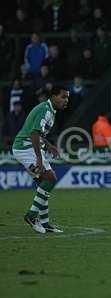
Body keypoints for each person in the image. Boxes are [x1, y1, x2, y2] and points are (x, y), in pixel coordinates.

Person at [12, 86, 69, 234]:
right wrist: (38, 157)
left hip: (26, 148)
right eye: (63, 97)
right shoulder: (46, 110)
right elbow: (34, 133)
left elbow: (38, 132)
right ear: (54, 96)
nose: (66, 100)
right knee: (50, 178)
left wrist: (49, 145)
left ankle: (45, 223)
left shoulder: (49, 109)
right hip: (25, 149)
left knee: (42, 184)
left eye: (67, 98)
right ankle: (31, 215)